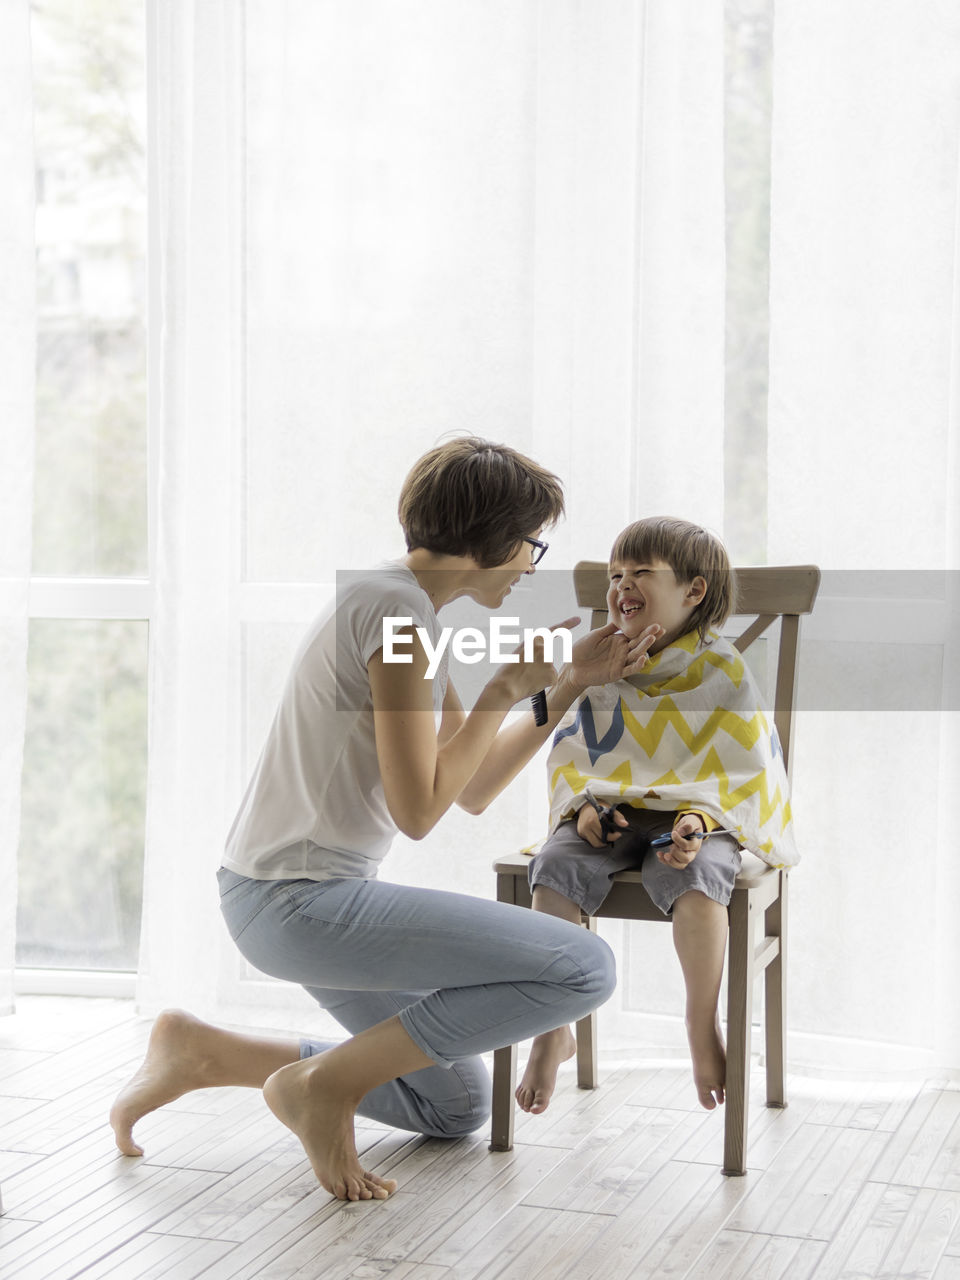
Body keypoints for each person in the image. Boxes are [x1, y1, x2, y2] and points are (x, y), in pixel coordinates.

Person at [109, 437, 660, 1203]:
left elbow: (468, 785)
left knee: (454, 1105)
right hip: (302, 902)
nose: (531, 565)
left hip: (278, 896)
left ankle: (205, 1052)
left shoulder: (402, 606)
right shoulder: (399, 618)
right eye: (532, 546)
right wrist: (502, 688)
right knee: (584, 966)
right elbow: (420, 811)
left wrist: (563, 687)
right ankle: (324, 1085)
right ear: (494, 539)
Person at [516, 516, 798, 1117]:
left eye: (642, 572)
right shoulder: (604, 663)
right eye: (617, 574)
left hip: (698, 818)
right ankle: (552, 1027)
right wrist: (584, 807)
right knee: (555, 866)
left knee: (698, 882)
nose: (623, 585)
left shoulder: (722, 671)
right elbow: (574, 750)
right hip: (611, 810)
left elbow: (743, 767)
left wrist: (699, 821)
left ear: (694, 591)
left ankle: (701, 1022)